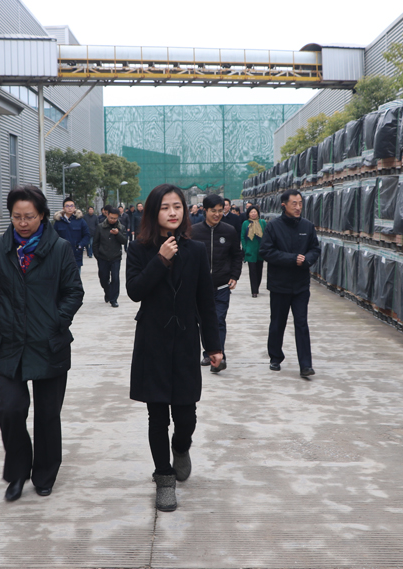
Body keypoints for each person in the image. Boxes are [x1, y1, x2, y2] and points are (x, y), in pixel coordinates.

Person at [0, 185, 84, 502]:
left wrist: (55, 320)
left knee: (47, 415)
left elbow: (74, 292)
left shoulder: (59, 248)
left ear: (42, 215)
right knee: (10, 410)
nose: (23, 223)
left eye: (30, 217)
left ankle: (45, 474)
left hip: (49, 343)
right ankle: (18, 472)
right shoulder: (0, 248)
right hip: (10, 342)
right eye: (17, 217)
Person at [126, 183, 221, 512]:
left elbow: (205, 302)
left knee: (186, 416)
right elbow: (134, 291)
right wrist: (160, 260)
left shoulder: (195, 251)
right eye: (165, 207)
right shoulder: (138, 249)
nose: (172, 212)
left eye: (177, 206)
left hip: (184, 342)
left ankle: (181, 447)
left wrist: (213, 346)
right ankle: (164, 479)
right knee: (157, 417)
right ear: (154, 212)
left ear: (184, 211)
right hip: (152, 341)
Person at [259, 189, 321, 379]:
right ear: (284, 205)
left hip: (301, 285)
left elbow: (315, 249)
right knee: (278, 323)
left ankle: (306, 365)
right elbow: (266, 251)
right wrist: (292, 259)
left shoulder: (307, 226)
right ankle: (275, 357)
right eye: (294, 203)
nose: (298, 207)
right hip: (279, 284)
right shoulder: (273, 226)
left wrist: (307, 259)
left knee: (301, 323)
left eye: (300, 203)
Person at [190, 194, 243, 373]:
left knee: (219, 320)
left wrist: (234, 275)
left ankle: (219, 357)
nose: (217, 214)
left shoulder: (229, 231)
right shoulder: (194, 231)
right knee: (202, 321)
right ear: (205, 210)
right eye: (213, 211)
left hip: (221, 285)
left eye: (220, 210)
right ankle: (209, 353)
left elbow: (236, 255)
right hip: (199, 287)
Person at [92, 204, 128, 307]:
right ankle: (108, 292)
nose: (113, 220)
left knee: (115, 278)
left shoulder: (121, 227)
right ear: (107, 215)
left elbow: (124, 241)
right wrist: (97, 256)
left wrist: (117, 234)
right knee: (103, 278)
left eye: (115, 218)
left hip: (115, 257)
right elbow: (95, 243)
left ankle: (114, 299)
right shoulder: (100, 227)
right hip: (103, 257)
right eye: (111, 218)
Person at [53, 196, 91, 274]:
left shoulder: (80, 221)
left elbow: (87, 235)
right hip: (62, 254)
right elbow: (53, 237)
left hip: (76, 253)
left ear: (74, 208)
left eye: (71, 206)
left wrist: (80, 246)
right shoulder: (58, 222)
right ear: (63, 208)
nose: (69, 208)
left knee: (76, 277)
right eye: (67, 206)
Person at [241, 205, 266, 298]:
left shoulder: (262, 222)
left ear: (258, 213)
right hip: (250, 251)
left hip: (260, 250)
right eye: (251, 212)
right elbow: (242, 236)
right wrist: (245, 248)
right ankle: (254, 291)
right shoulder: (245, 223)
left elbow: (267, 235)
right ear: (248, 214)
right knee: (252, 271)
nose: (253, 214)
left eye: (255, 212)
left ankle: (257, 287)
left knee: (259, 271)